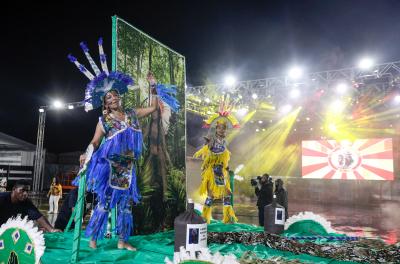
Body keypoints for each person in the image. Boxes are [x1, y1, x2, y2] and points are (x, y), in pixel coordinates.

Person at [69, 39, 179, 251]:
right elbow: (94, 141)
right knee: (104, 203)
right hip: (109, 166)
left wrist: (153, 85)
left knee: (126, 205)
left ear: (119, 96)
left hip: (128, 167)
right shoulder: (104, 121)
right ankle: (93, 237)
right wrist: (87, 153)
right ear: (105, 102)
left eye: (115, 94)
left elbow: (154, 107)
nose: (113, 98)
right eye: (109, 97)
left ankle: (122, 240)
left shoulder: (131, 113)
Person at [194, 98, 240, 224]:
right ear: (216, 129)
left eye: (224, 128)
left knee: (227, 194)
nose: (222, 130)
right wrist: (209, 144)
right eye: (220, 128)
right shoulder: (212, 139)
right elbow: (208, 149)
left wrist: (226, 167)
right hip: (213, 171)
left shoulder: (224, 142)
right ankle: (205, 217)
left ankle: (227, 218)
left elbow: (224, 157)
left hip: (221, 171)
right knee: (211, 195)